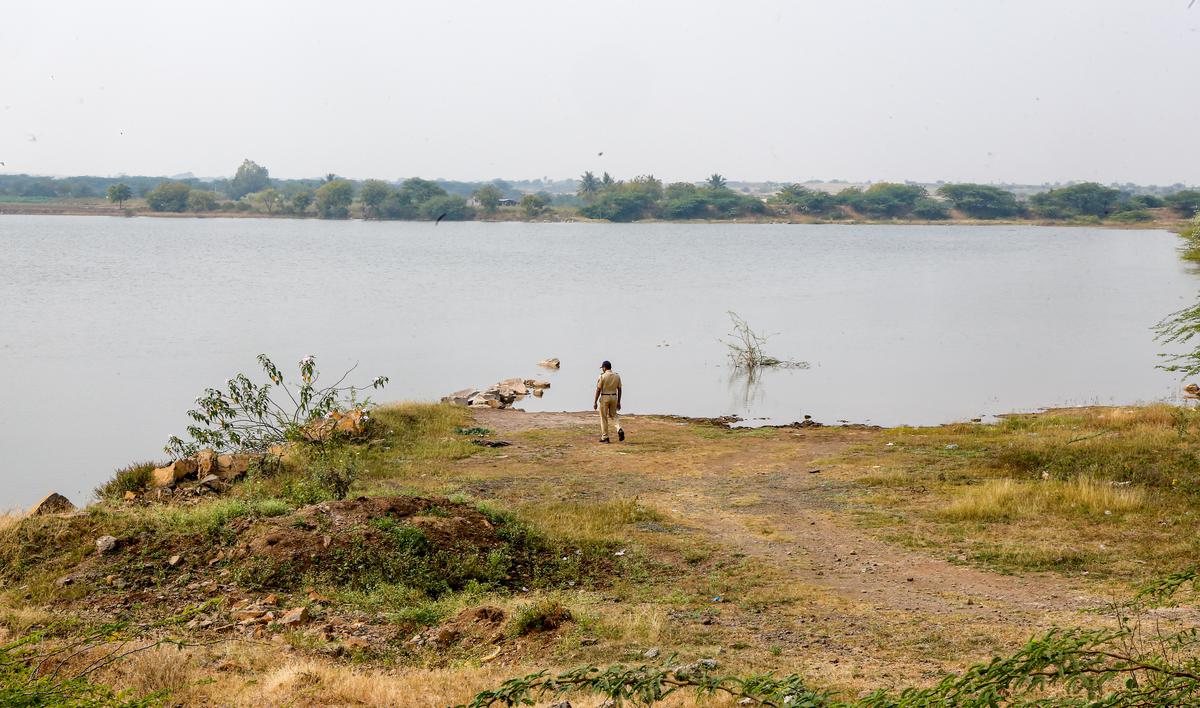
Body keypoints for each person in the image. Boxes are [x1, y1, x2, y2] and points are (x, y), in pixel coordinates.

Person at [593, 360, 624, 443]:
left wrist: (595, 401)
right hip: (614, 396)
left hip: (605, 397)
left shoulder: (602, 376)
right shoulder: (617, 376)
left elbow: (598, 389)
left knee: (603, 417)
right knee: (614, 415)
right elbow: (620, 389)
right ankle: (619, 428)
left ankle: (605, 436)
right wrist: (619, 401)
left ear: (604, 367)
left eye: (602, 368)